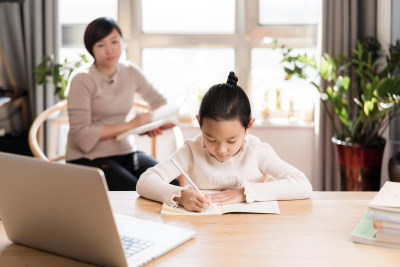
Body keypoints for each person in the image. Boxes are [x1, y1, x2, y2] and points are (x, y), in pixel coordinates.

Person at [137, 71, 312, 212]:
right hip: (206, 232)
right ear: (199, 123)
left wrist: (245, 193)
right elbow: (145, 182)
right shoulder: (192, 150)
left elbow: (302, 184)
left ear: (248, 126)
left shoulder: (257, 152)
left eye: (231, 140)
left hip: (250, 232)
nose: (221, 150)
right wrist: (181, 196)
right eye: (211, 138)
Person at [65, 17, 179, 190]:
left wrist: (150, 125)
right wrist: (130, 125)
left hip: (124, 151)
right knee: (136, 191)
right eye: (101, 45)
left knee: (170, 183)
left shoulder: (130, 71)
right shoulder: (82, 79)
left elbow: (160, 103)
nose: (110, 50)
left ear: (122, 41)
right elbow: (81, 136)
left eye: (114, 41)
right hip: (87, 157)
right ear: (91, 50)